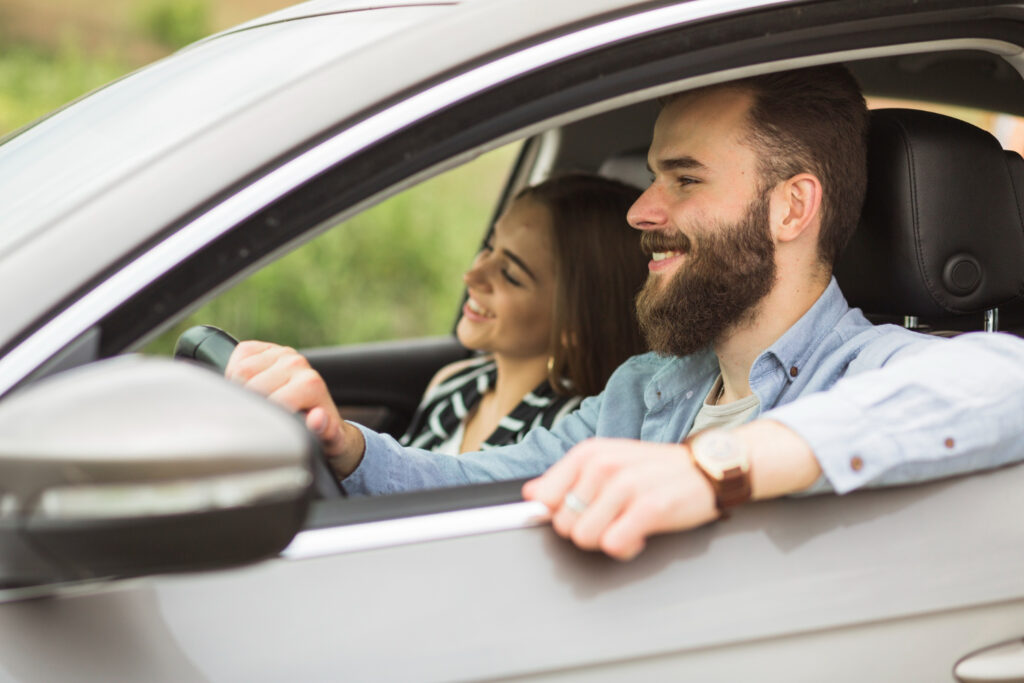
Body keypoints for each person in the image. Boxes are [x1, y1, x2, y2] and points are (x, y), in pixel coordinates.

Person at [226, 65, 1024, 561]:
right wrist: (345, 445)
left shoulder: (867, 370)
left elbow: (1008, 382)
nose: (641, 211)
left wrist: (712, 470)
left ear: (792, 207)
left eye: (683, 179)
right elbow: (481, 485)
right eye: (652, 177)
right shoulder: (649, 387)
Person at [399, 174, 647, 454]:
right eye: (489, 247)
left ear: (574, 323)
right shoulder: (453, 384)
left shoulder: (568, 433)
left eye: (510, 274)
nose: (472, 275)